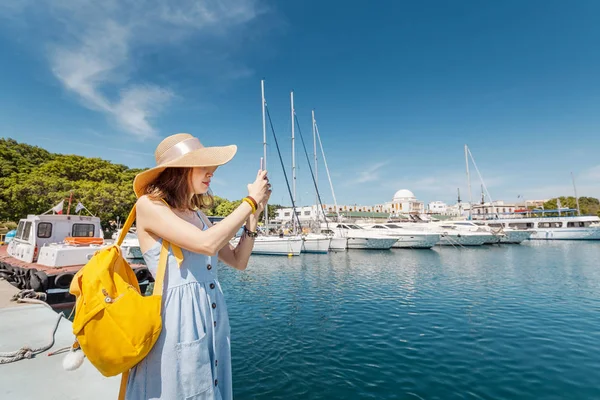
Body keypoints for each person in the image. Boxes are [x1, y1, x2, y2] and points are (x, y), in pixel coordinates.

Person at [126, 133, 271, 400]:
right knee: (179, 387)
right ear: (179, 170)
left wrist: (255, 214)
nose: (211, 173)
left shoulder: (198, 214)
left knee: (207, 385)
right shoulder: (149, 205)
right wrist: (248, 201)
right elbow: (207, 244)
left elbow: (238, 261)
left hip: (210, 311)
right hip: (176, 317)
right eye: (202, 166)